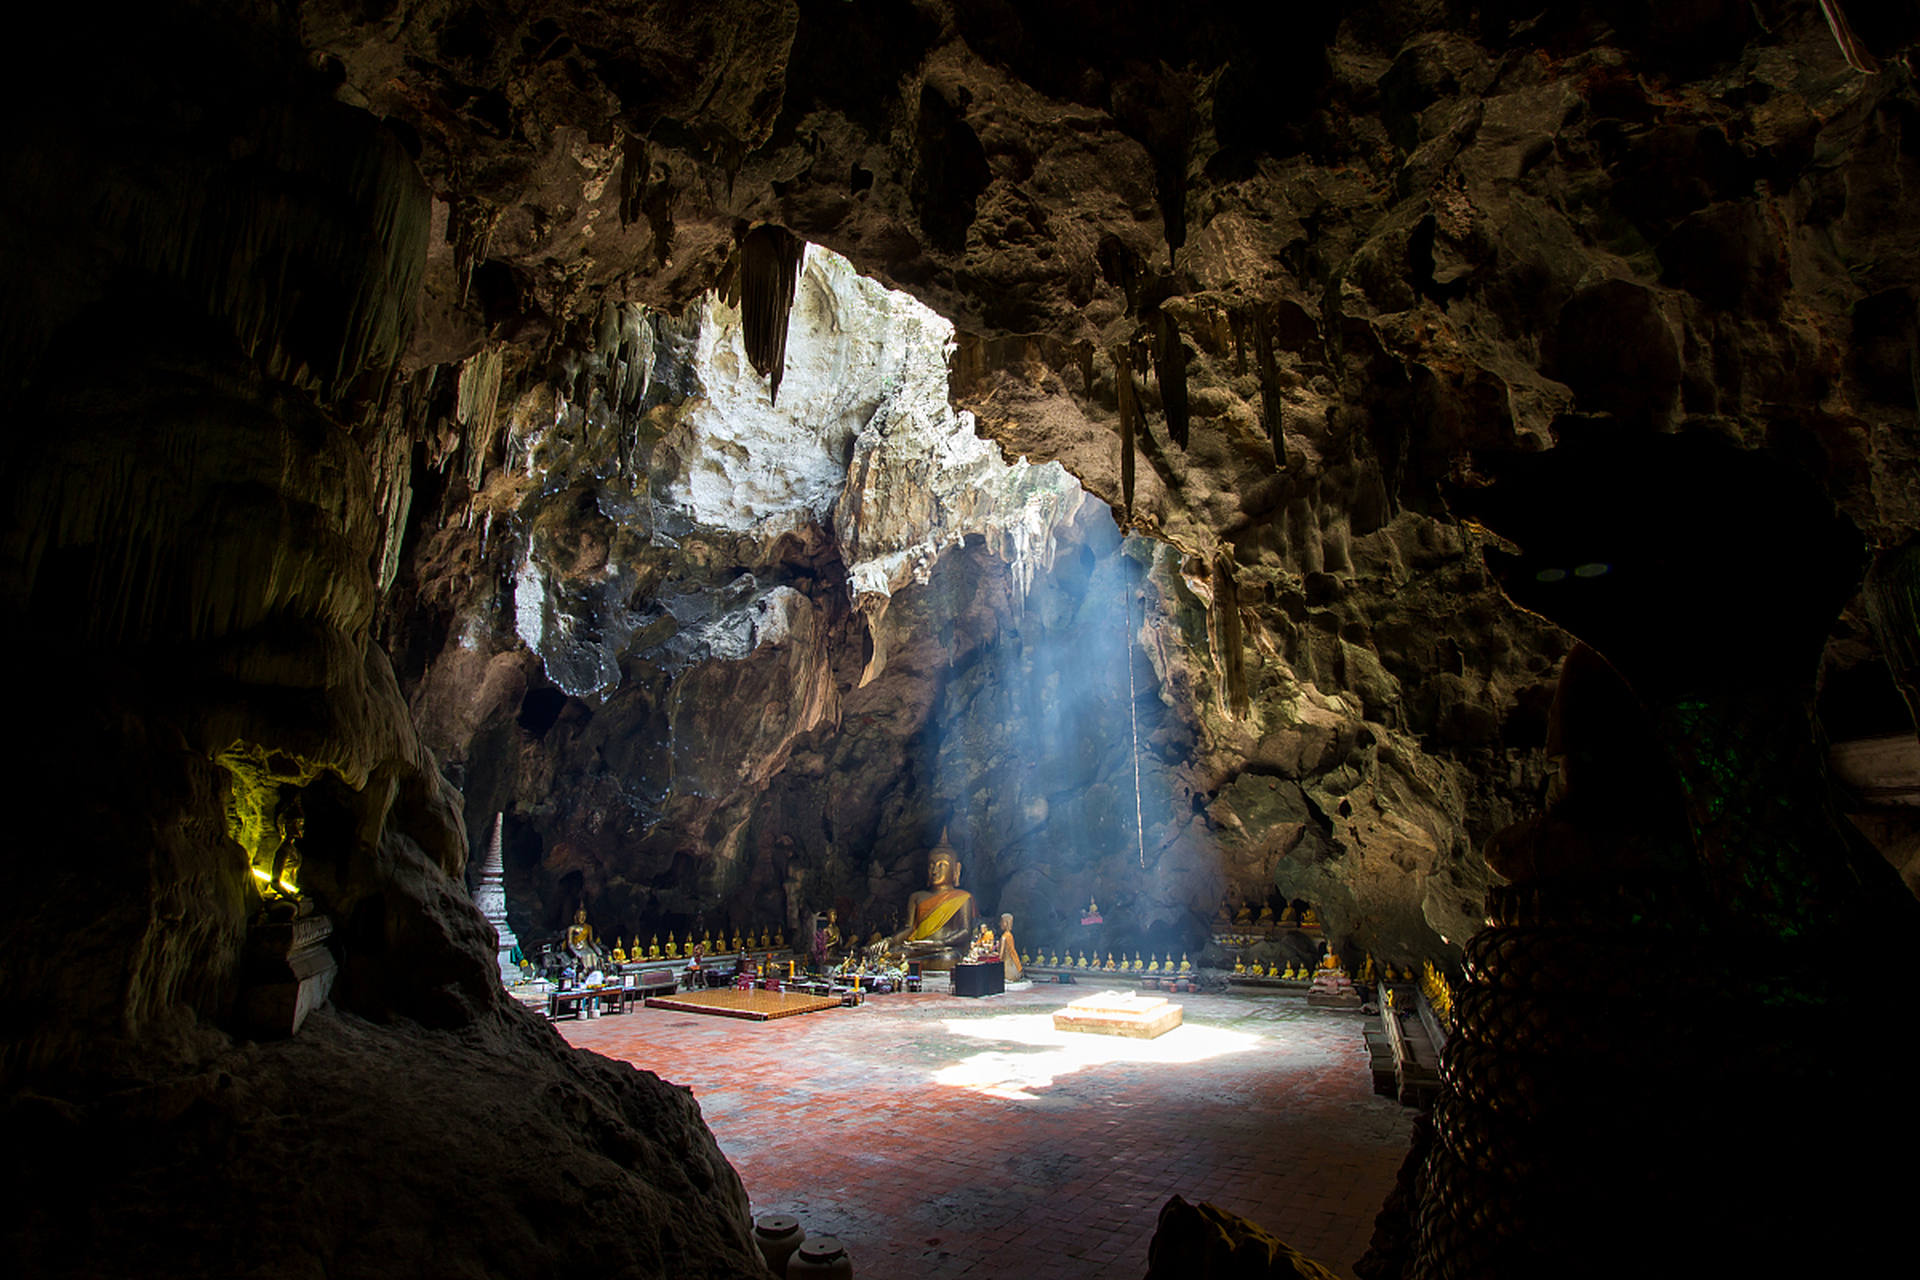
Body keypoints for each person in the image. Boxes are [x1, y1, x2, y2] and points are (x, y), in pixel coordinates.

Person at [873, 828, 975, 968]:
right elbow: (908, 928)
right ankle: (906, 963)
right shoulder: (917, 897)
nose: (934, 871)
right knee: (885, 953)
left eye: (941, 865)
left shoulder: (963, 897)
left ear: (956, 870)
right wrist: (889, 940)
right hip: (916, 947)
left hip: (943, 948)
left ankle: (905, 964)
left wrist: (939, 943)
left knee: (949, 958)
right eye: (931, 866)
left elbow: (965, 932)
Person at [997, 913, 1023, 981]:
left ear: (1005, 923)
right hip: (1014, 967)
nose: (1000, 924)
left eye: (1001, 922)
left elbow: (1001, 955)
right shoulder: (1010, 935)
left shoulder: (1004, 937)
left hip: (1007, 969)